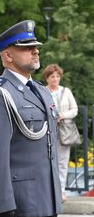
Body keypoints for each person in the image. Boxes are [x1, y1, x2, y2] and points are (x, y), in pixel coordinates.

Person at [0, 20, 62, 217]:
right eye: (26, 48)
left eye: (35, 47)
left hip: (46, 200)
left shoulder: (42, 91)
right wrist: (3, 208)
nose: (35, 51)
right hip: (20, 204)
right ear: (7, 55)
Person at [43, 64, 78, 202]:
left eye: (57, 76)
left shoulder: (66, 91)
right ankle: (50, 190)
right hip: (46, 131)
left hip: (64, 132)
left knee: (63, 162)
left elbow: (74, 110)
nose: (55, 79)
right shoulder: (43, 91)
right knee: (47, 161)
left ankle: (61, 190)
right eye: (52, 76)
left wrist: (63, 115)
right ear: (47, 78)